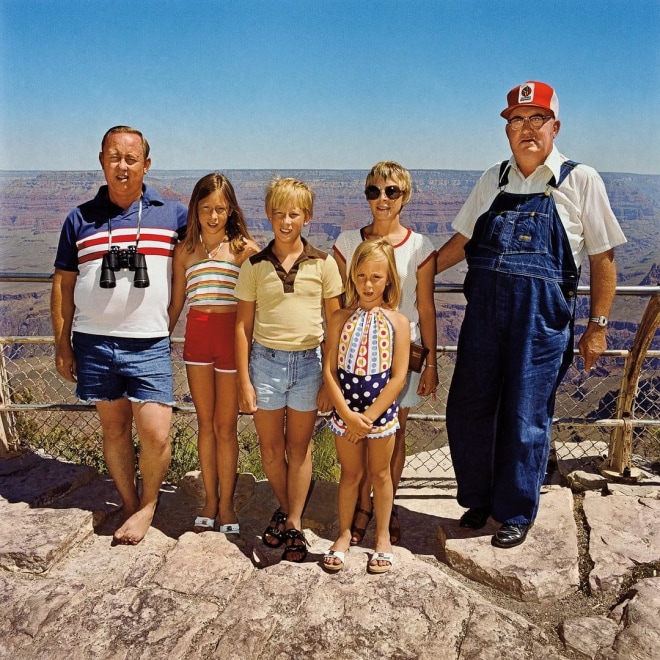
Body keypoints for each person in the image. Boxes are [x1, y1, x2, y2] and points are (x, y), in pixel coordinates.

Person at [436, 81, 627, 548]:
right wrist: (408, 275)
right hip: (483, 315)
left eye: (537, 119)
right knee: (468, 406)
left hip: (540, 321)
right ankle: (479, 497)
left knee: (526, 415)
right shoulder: (493, 179)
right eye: (517, 120)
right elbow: (459, 245)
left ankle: (517, 511)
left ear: (555, 127)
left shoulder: (580, 180)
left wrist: (597, 327)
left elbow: (603, 259)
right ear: (507, 130)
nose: (527, 129)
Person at [50, 126, 188, 545]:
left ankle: (149, 505)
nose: (122, 166)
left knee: (156, 430)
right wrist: (61, 343)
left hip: (148, 341)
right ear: (101, 161)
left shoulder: (173, 214)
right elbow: (63, 283)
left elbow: (211, 247)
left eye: (131, 159)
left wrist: (171, 316)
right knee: (113, 428)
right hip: (94, 340)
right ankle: (129, 504)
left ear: (146, 164)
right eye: (114, 157)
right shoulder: (80, 218)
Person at [235, 177, 343, 562]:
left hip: (309, 365)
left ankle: (293, 522)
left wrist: (330, 381)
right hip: (265, 363)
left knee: (299, 448)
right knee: (270, 449)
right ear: (268, 214)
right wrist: (244, 379)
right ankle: (286, 509)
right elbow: (243, 326)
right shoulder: (254, 266)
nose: (285, 221)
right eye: (278, 213)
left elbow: (334, 327)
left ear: (307, 217)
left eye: (293, 214)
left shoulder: (324, 264)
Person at [333, 161, 438, 546]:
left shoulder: (419, 246)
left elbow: (425, 307)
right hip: (354, 357)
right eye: (374, 191)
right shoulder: (347, 243)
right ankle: (362, 506)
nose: (382, 199)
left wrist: (432, 363)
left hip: (401, 355)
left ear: (404, 196)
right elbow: (336, 303)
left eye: (391, 191)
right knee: (355, 429)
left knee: (395, 430)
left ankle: (384, 507)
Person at [168, 173, 259, 534]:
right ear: (195, 209)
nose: (213, 216)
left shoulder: (243, 250)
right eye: (206, 208)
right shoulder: (185, 250)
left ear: (231, 210)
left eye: (221, 209)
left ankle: (226, 504)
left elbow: (259, 300)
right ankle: (208, 498)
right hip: (197, 341)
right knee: (204, 425)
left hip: (231, 341)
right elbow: (177, 303)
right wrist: (158, 336)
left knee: (226, 427)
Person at [322, 239, 410, 574]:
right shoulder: (340, 318)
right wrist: (346, 415)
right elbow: (329, 370)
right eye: (361, 276)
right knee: (350, 474)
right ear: (352, 278)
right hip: (347, 407)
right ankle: (344, 533)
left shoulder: (398, 322)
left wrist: (370, 418)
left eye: (376, 276)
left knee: (380, 474)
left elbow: (399, 377)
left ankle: (383, 537)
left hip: (380, 412)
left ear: (389, 278)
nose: (368, 284)